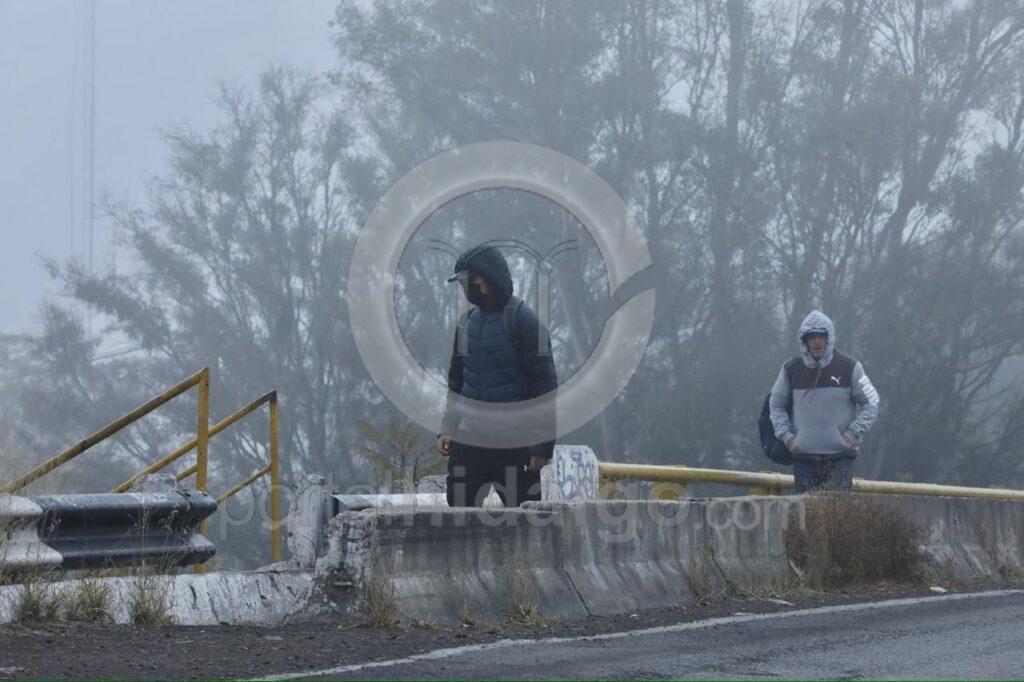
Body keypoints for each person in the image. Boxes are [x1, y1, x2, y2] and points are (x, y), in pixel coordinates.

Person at [436, 244, 558, 507]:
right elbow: (456, 383)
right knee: (458, 516)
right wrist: (448, 429)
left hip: (515, 442)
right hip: (470, 439)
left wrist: (541, 446)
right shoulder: (465, 324)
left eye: (472, 282)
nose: (467, 289)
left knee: (524, 520)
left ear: (490, 279)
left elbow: (545, 388)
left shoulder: (525, 321)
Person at [769, 310, 880, 493]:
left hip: (841, 459)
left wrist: (851, 435)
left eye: (821, 336)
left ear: (829, 338)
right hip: (804, 460)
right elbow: (776, 404)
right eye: (811, 337)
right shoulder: (790, 369)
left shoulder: (852, 367)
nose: (817, 342)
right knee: (806, 512)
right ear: (804, 340)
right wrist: (787, 438)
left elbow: (872, 401)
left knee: (838, 512)